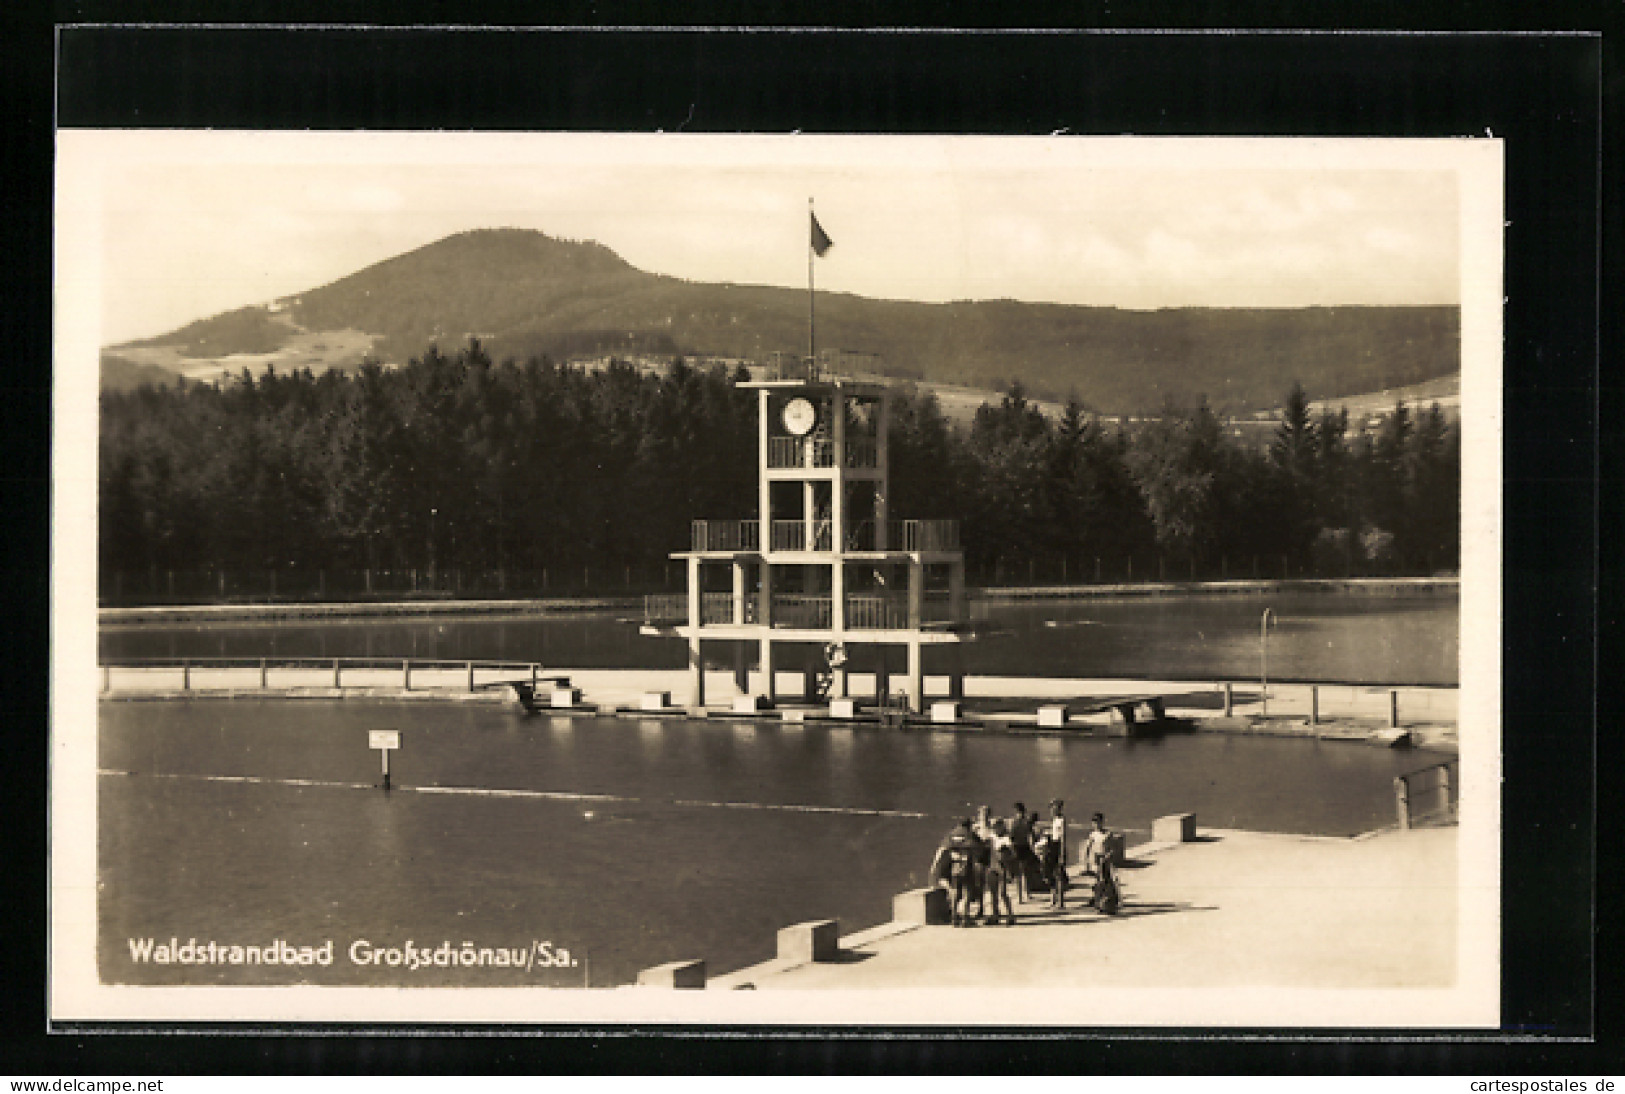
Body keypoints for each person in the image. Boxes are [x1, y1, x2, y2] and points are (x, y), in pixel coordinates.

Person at [933, 819, 983, 928]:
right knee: (967, 892)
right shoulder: (970, 834)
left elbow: (942, 848)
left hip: (954, 866)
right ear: (968, 825)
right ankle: (965, 918)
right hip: (967, 865)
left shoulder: (951, 834)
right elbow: (979, 848)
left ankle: (954, 917)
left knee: (955, 891)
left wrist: (935, 865)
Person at [982, 819, 1017, 926]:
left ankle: (1010, 915)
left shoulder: (1006, 839)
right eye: (994, 826)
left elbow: (1013, 854)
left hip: (1002, 868)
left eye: (997, 826)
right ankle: (995, 915)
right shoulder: (991, 837)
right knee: (993, 893)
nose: (995, 829)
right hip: (991, 867)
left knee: (1003, 893)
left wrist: (1006, 853)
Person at [1008, 802, 1038, 903]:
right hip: (1024, 847)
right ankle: (1026, 894)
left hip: (1018, 847)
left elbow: (1011, 837)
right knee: (1025, 872)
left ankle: (1021, 896)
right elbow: (1031, 836)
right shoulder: (1026, 822)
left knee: (1019, 873)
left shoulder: (1014, 822)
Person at [1043, 799, 1067, 909]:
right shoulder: (1054, 820)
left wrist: (1061, 854)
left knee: (1059, 874)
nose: (1052, 810)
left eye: (1054, 807)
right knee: (1050, 873)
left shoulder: (1061, 820)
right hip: (1052, 845)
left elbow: (1062, 838)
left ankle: (1060, 902)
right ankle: (1053, 899)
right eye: (1052, 808)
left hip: (1058, 846)